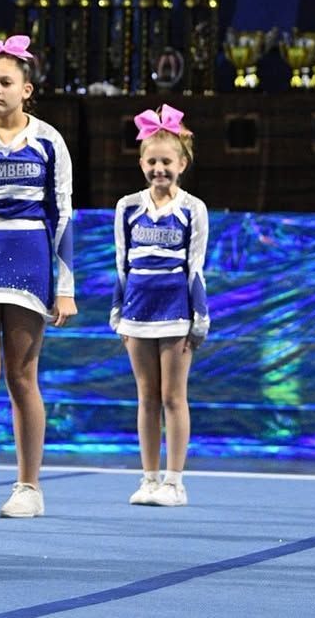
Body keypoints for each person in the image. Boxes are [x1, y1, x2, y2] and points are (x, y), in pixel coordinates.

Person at [0, 36, 76, 520]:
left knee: (22, 375)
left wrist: (64, 287)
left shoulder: (49, 140)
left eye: (6, 82)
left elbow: (62, 214)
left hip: (29, 258)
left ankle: (28, 486)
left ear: (27, 89)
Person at [111, 104, 209, 508]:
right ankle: (148, 477)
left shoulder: (192, 209)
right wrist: (118, 315)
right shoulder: (128, 207)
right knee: (146, 396)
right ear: (141, 163)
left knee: (173, 396)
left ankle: (175, 481)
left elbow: (196, 268)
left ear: (182, 163)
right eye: (151, 161)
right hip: (137, 312)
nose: (158, 169)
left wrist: (198, 320)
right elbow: (121, 263)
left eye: (166, 161)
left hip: (175, 313)